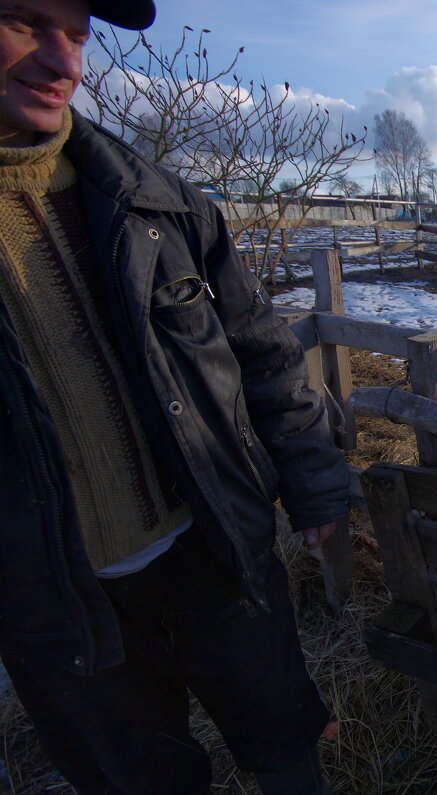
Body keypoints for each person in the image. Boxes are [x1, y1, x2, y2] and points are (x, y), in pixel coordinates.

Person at [0, 0, 350, 792]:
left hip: (214, 545)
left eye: (79, 34)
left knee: (285, 740)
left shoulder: (156, 202)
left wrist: (315, 479)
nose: (65, 63)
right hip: (61, 605)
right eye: (22, 20)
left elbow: (262, 353)